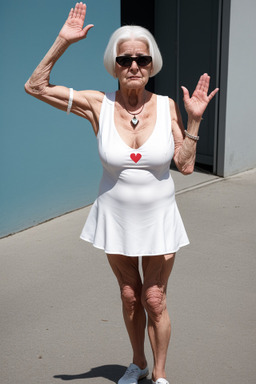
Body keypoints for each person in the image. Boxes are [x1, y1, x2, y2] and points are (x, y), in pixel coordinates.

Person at [25, 3, 218, 384]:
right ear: (115, 64)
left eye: (141, 59)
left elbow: (184, 164)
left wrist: (193, 120)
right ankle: (138, 363)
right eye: (125, 58)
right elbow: (36, 86)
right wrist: (63, 42)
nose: (134, 65)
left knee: (154, 299)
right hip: (116, 217)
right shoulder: (98, 104)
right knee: (130, 295)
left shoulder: (166, 107)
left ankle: (160, 374)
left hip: (159, 217)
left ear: (151, 64)